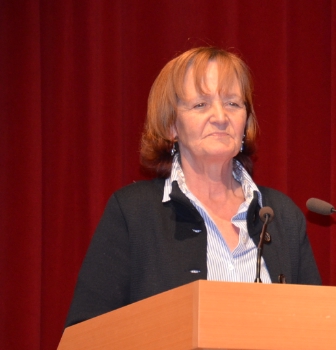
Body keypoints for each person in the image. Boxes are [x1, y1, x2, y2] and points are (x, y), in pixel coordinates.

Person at [64, 47, 321, 327]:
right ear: (171, 126)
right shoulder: (133, 213)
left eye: (233, 104)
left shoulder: (281, 214)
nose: (220, 117)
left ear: (246, 122)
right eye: (201, 104)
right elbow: (85, 335)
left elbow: (317, 329)